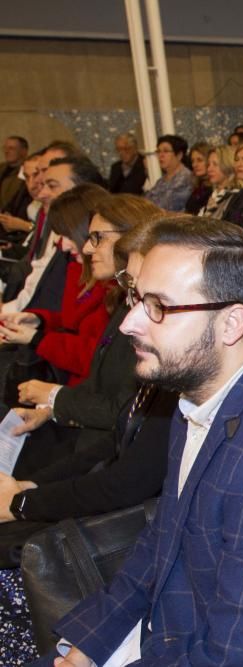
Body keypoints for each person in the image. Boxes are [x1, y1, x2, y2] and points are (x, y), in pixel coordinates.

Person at [43, 217, 243, 666]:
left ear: (230, 324)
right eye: (137, 297)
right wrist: (89, 644)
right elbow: (161, 542)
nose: (131, 322)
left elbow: (235, 657)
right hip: (168, 633)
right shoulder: (199, 393)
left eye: (158, 306)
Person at [0, 217, 175, 567]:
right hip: (100, 469)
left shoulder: (180, 380)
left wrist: (22, 501)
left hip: (127, 528)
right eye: (132, 292)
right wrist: (27, 487)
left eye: (98, 237)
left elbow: (128, 479)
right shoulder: (160, 364)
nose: (88, 248)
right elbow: (120, 434)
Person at [6, 195, 161, 481]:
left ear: (132, 237)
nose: (87, 247)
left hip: (105, 453)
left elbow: (125, 409)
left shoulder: (146, 309)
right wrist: (52, 409)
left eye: (97, 238)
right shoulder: (122, 297)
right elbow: (100, 380)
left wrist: (55, 397)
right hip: (90, 434)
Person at [0, 185, 111, 387]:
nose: (64, 245)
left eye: (68, 236)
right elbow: (70, 323)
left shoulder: (111, 284)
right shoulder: (78, 268)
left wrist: (37, 338)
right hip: (68, 379)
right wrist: (39, 319)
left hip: (82, 387)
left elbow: (97, 358)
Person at [144, 134, 193, 212]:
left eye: (166, 151)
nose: (161, 155)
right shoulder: (161, 181)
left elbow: (168, 206)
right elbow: (146, 202)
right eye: (158, 151)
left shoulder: (186, 178)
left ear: (179, 155)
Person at [197, 146, 240, 219]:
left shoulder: (237, 197)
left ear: (227, 165)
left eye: (215, 164)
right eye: (208, 165)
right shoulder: (211, 194)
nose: (209, 169)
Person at [183, 141, 212, 214]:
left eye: (199, 160)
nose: (194, 165)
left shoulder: (214, 189)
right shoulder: (199, 186)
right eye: (192, 161)